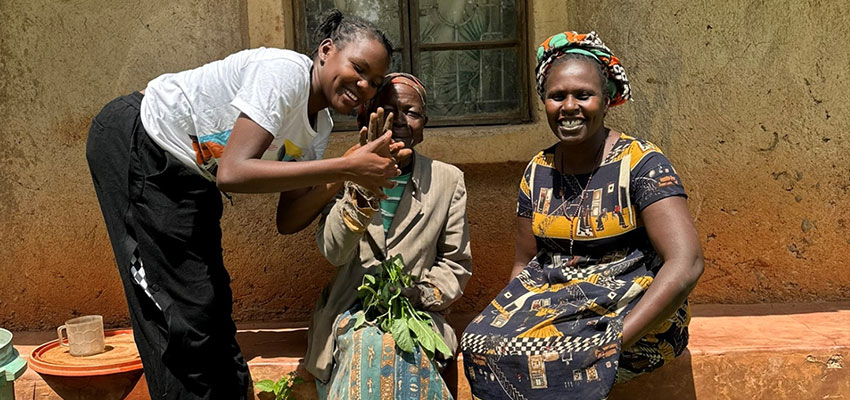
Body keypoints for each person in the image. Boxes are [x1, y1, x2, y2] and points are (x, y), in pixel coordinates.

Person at [85, 10, 401, 399]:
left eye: (374, 82)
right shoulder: (285, 73)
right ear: (326, 50)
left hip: (192, 175)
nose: (365, 86)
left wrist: (342, 175)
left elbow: (288, 219)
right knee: (177, 316)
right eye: (359, 68)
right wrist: (346, 165)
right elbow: (232, 172)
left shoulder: (318, 128)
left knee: (212, 306)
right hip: (143, 144)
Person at [460, 31, 704, 399]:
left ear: (606, 101)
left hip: (633, 316)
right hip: (558, 308)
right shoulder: (538, 170)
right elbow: (524, 264)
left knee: (562, 359)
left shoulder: (642, 164)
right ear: (545, 101)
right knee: (480, 344)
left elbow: (686, 263)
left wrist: (614, 339)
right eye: (557, 96)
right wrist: (512, 320)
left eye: (583, 95)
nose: (569, 106)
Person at [305, 73, 472, 399]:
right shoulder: (344, 170)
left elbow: (456, 264)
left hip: (419, 314)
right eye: (386, 110)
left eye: (412, 113)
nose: (398, 121)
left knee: (399, 344)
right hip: (348, 312)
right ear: (365, 117)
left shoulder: (447, 181)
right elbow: (334, 252)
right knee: (372, 343)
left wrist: (419, 294)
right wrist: (364, 184)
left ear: (424, 125)